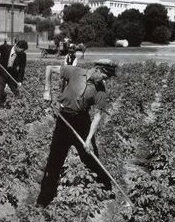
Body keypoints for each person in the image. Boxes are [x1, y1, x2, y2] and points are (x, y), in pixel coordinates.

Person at [37, 59, 117, 207]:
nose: (105, 81)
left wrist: (88, 139)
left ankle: (105, 188)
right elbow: (49, 68)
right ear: (98, 69)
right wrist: (47, 91)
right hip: (64, 119)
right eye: (105, 77)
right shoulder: (75, 72)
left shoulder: (101, 91)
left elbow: (98, 116)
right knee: (55, 160)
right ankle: (43, 200)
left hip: (82, 122)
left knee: (90, 157)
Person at [0, 40, 28, 109]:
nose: (21, 51)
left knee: (15, 92)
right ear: (16, 45)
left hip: (12, 74)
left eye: (23, 50)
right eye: (20, 49)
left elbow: (22, 69)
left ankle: (17, 108)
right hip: (1, 71)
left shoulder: (23, 55)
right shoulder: (5, 47)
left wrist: (20, 81)